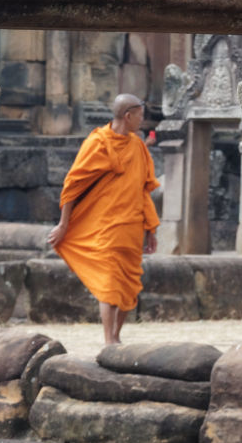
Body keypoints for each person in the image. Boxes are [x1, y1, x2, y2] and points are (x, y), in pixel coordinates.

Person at [48, 94, 160, 345]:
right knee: (110, 284)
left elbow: (143, 189)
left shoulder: (138, 146)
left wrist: (151, 228)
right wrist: (64, 224)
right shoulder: (98, 143)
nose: (143, 121)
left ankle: (117, 335)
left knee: (129, 286)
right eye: (141, 115)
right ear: (128, 116)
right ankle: (109, 340)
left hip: (131, 226)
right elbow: (73, 186)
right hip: (105, 225)